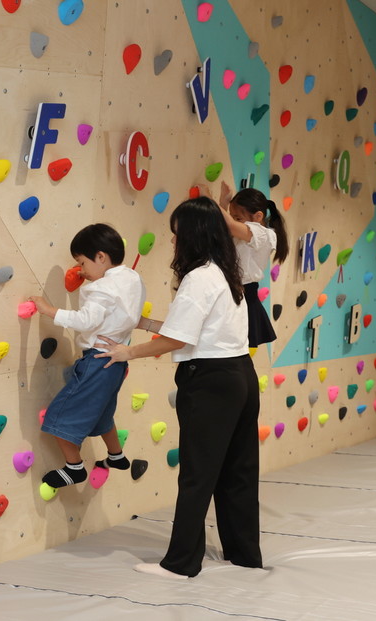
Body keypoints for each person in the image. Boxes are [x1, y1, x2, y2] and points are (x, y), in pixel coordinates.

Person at [96, 197, 261, 579]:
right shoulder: (225, 271)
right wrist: (144, 323)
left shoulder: (198, 277)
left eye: (176, 234)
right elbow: (191, 330)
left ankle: (182, 563)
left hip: (211, 382)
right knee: (238, 470)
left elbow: (178, 340)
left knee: (197, 473)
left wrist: (128, 352)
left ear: (192, 235)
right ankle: (243, 553)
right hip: (240, 376)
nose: (173, 242)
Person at [29, 223, 147, 491]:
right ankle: (116, 455)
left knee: (58, 417)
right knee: (102, 413)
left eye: (82, 262)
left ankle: (74, 468)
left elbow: (86, 320)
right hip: (116, 362)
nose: (81, 270)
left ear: (101, 256)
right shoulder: (133, 279)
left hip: (97, 360)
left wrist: (49, 310)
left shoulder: (100, 288)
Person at [216, 182, 289, 347]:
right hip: (231, 292)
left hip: (244, 295)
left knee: (233, 352)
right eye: (233, 216)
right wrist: (223, 203)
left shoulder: (264, 234)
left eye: (238, 217)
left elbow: (229, 225)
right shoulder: (242, 232)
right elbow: (222, 227)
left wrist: (208, 199)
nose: (235, 221)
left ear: (258, 216)